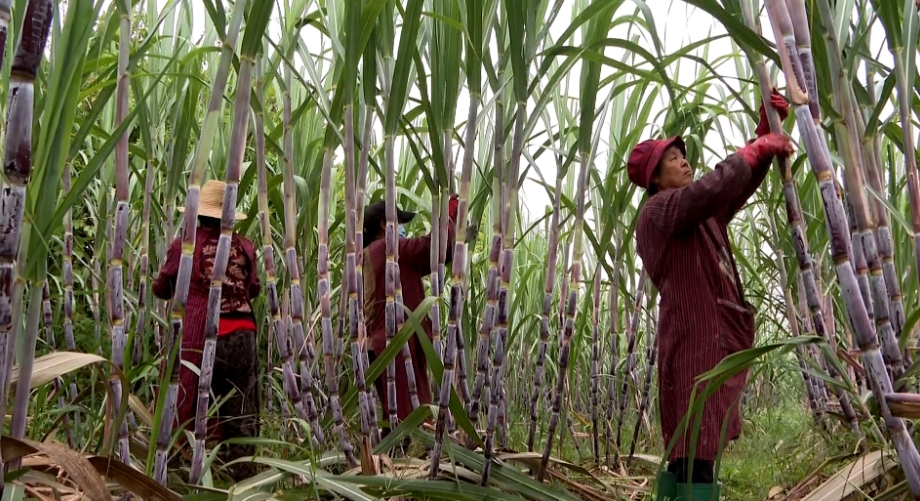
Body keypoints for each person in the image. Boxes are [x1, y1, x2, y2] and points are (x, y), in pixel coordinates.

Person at [628, 90, 791, 500]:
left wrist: (764, 136)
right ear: (655, 179)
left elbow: (729, 192)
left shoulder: (696, 216)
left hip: (707, 340)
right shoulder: (659, 212)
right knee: (694, 442)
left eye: (683, 156)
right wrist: (752, 149)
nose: (684, 162)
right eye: (672, 160)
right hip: (691, 344)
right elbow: (705, 193)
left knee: (697, 444)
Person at [153, 179, 261, 480]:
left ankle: (179, 470)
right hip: (243, 333)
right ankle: (244, 477)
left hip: (202, 334)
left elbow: (162, 286)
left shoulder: (186, 244)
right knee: (241, 406)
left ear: (199, 214)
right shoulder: (244, 246)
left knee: (188, 398)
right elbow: (253, 288)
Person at [362, 195, 459, 438]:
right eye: (400, 222)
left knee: (393, 412)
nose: (403, 229)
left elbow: (434, 258)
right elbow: (430, 249)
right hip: (396, 343)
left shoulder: (368, 253)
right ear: (385, 224)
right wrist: (448, 218)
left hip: (378, 344)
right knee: (409, 417)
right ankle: (407, 465)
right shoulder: (388, 249)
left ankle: (390, 462)